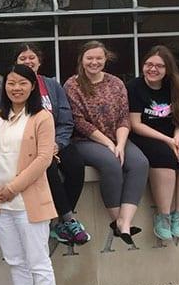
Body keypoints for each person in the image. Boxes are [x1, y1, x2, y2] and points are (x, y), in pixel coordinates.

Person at [0, 64, 59, 285]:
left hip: (28, 200)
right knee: (15, 259)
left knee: (37, 259)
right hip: (0, 202)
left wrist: (12, 188)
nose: (16, 88)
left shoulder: (41, 117)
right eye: (11, 83)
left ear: (32, 87)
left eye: (22, 83)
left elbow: (43, 159)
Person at [64, 41, 149, 245]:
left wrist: (120, 143)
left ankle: (125, 222)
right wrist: (108, 145)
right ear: (82, 60)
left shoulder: (116, 83)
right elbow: (78, 122)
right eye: (90, 58)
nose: (94, 62)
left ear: (105, 59)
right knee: (111, 163)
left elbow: (123, 117)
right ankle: (116, 219)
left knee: (139, 163)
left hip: (116, 136)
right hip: (85, 140)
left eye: (99, 58)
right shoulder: (72, 85)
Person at [13, 43, 90, 246]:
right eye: (23, 58)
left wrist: (57, 144)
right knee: (49, 167)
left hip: (57, 142)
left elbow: (66, 120)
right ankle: (68, 220)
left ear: (39, 61)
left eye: (32, 58)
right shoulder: (10, 85)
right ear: (16, 62)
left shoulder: (52, 85)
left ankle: (61, 223)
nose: (28, 62)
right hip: (29, 147)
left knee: (75, 166)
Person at [128, 45, 179, 242]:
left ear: (167, 69)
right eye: (148, 64)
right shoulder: (134, 87)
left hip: (174, 133)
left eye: (159, 66)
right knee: (164, 155)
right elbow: (135, 125)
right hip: (146, 135)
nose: (153, 69)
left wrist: (177, 138)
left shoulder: (177, 86)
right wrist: (168, 140)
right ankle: (163, 216)